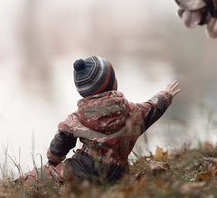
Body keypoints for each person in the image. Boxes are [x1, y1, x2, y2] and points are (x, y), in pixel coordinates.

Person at [26, 55, 180, 185]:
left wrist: (53, 161)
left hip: (83, 170)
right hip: (118, 174)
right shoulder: (133, 112)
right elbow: (153, 108)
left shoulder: (76, 119)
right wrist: (166, 95)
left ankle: (19, 183)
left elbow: (61, 142)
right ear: (113, 83)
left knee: (40, 176)